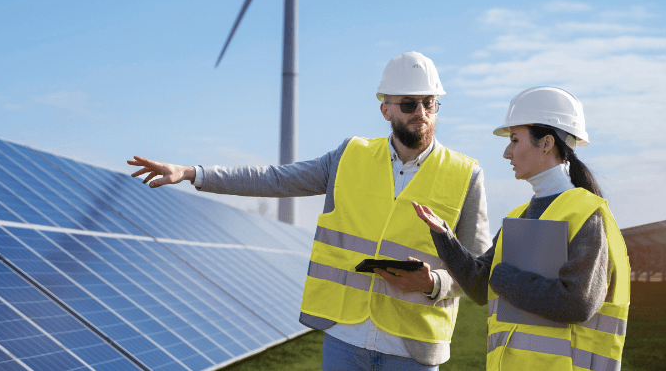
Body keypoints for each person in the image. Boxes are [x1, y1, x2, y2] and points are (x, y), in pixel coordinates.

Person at [129, 51, 491, 371]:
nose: (421, 114)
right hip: (345, 340)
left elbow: (478, 273)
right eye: (409, 104)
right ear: (386, 109)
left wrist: (433, 283)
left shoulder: (465, 175)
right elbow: (275, 179)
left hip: (413, 351)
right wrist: (194, 173)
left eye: (430, 103)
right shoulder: (350, 155)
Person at [412, 86, 629, 371]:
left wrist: (502, 276)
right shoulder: (520, 216)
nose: (507, 152)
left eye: (515, 140)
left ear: (546, 143)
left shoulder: (587, 215)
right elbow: (481, 286)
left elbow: (577, 302)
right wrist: (445, 237)